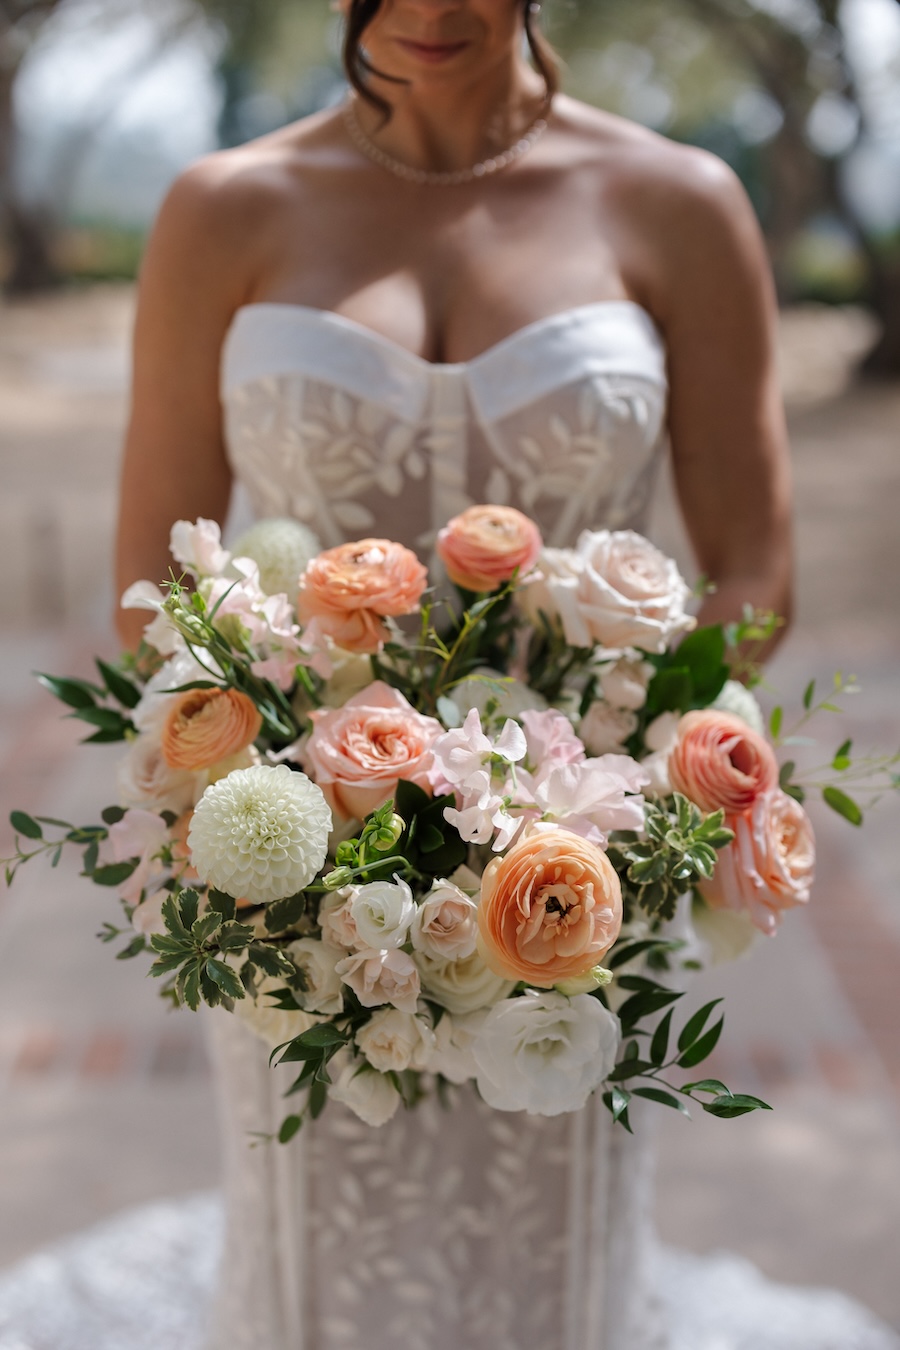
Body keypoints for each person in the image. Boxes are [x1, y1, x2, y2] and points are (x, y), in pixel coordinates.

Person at [1, 3, 895, 1349]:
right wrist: (278, 838)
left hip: (577, 899)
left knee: (559, 1253)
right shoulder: (221, 208)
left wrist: (633, 824)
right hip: (307, 906)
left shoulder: (681, 203)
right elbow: (158, 593)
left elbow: (754, 572)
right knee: (314, 1255)